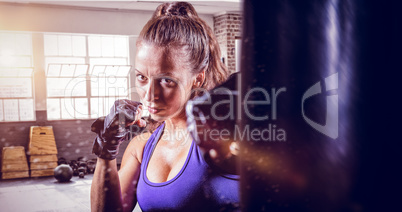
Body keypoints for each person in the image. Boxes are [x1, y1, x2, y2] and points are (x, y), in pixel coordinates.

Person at [90, 2, 240, 212]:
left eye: (167, 80)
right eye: (142, 77)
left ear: (198, 79)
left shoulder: (222, 142)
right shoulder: (141, 148)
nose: (150, 95)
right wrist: (106, 147)